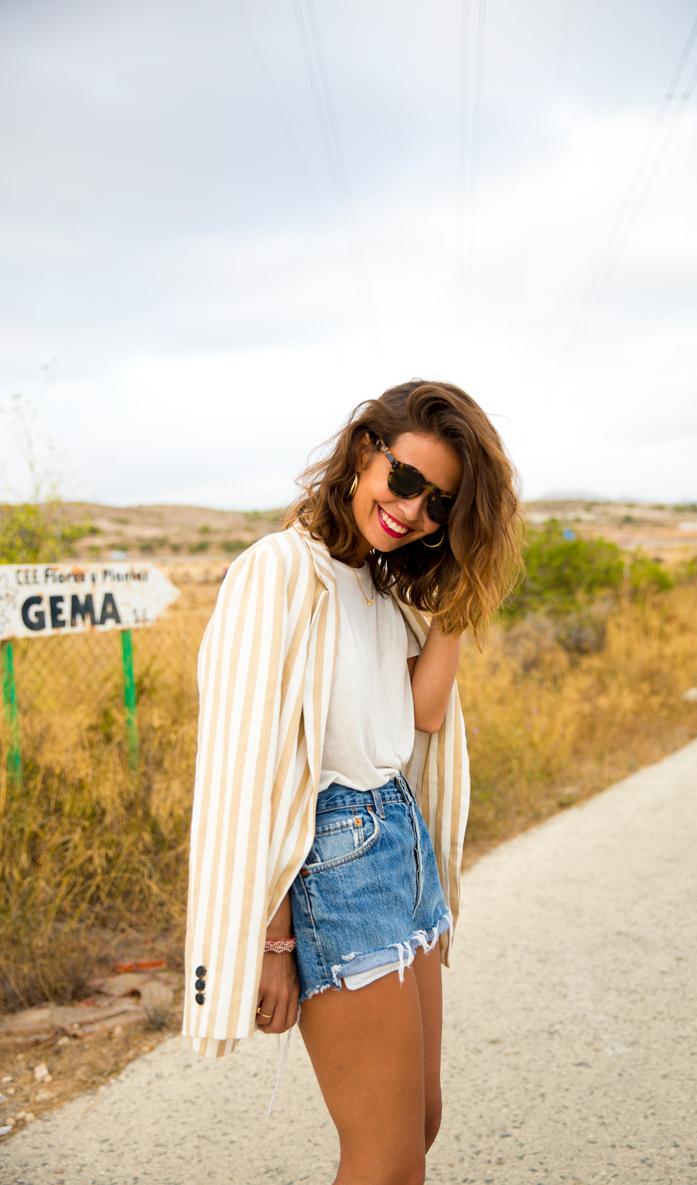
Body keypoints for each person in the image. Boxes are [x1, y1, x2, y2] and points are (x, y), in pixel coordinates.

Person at [182, 379, 522, 1184]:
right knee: (385, 1159)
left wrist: (457, 595)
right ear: (365, 452)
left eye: (439, 505)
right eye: (404, 480)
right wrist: (272, 939)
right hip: (333, 859)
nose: (411, 511)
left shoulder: (380, 584)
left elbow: (424, 713)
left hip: (403, 846)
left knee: (422, 1121)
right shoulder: (278, 571)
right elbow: (246, 759)